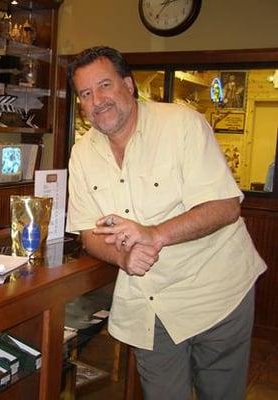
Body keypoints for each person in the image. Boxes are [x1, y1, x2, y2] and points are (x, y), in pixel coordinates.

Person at [66, 46, 267, 400]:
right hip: (149, 305)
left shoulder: (181, 125)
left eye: (105, 86)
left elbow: (225, 207)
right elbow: (88, 234)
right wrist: (124, 259)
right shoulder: (82, 153)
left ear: (129, 85)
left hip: (215, 293)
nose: (97, 100)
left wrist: (156, 235)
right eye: (85, 93)